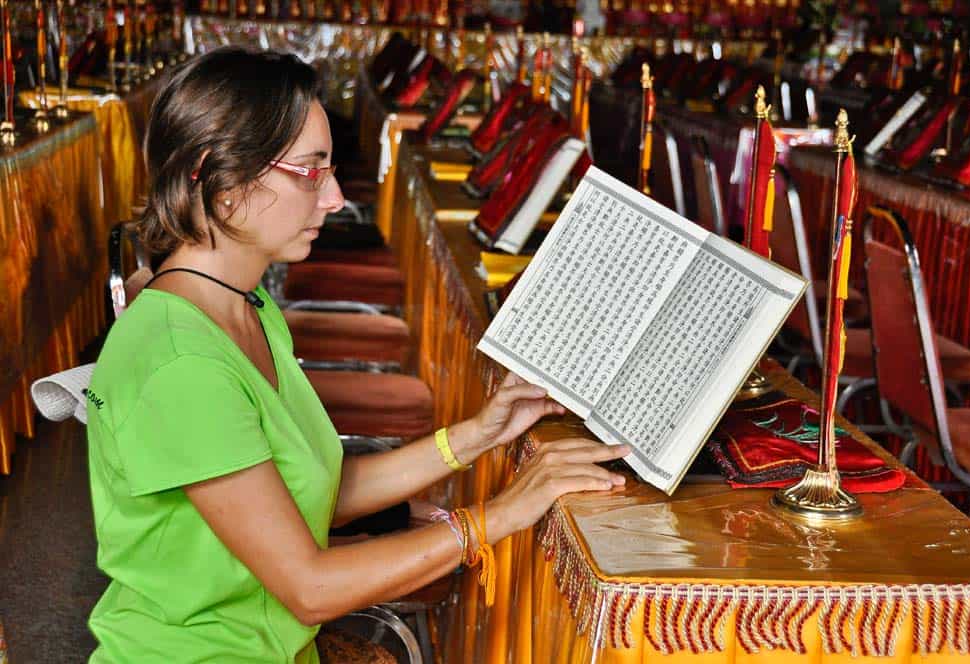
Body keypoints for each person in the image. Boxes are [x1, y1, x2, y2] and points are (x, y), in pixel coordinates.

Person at [85, 46, 630, 663]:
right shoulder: (182, 363)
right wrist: (497, 516)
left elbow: (306, 489)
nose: (335, 196)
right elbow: (309, 588)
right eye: (310, 171)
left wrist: (475, 436)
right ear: (223, 182)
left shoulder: (246, 309)